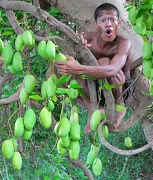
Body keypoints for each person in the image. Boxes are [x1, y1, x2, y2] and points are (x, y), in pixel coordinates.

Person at [55, 3, 131, 133]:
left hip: (119, 87)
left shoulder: (123, 43)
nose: (108, 24)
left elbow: (112, 70)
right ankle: (92, 107)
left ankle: (120, 106)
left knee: (104, 62)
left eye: (112, 19)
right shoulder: (87, 38)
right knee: (58, 72)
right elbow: (69, 59)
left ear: (119, 24)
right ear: (96, 25)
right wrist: (77, 48)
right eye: (103, 20)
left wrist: (78, 69)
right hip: (93, 84)